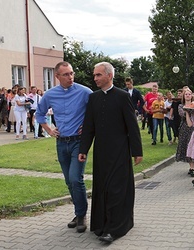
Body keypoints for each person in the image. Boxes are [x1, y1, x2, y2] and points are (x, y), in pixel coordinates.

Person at [78, 62, 143, 243]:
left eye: (98, 75)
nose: (95, 78)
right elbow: (89, 126)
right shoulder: (94, 98)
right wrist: (84, 149)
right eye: (95, 75)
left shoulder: (122, 97)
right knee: (102, 188)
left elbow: (132, 125)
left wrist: (137, 151)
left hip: (120, 151)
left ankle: (115, 229)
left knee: (116, 190)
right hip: (101, 152)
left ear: (109, 75)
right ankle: (101, 224)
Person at [36, 61, 92, 233]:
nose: (70, 77)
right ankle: (78, 212)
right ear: (57, 76)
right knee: (69, 181)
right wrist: (49, 130)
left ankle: (82, 215)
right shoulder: (50, 95)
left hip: (78, 142)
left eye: (72, 73)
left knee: (76, 178)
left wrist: (90, 126)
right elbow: (39, 113)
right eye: (66, 74)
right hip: (61, 143)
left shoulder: (84, 92)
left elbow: (98, 110)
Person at [175, 88, 194, 176]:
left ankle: (192, 167)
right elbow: (182, 114)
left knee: (192, 146)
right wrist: (188, 110)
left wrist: (190, 110)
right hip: (184, 127)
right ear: (184, 96)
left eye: (189, 94)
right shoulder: (180, 106)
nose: (187, 95)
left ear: (192, 95)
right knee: (186, 146)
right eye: (186, 94)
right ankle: (190, 166)